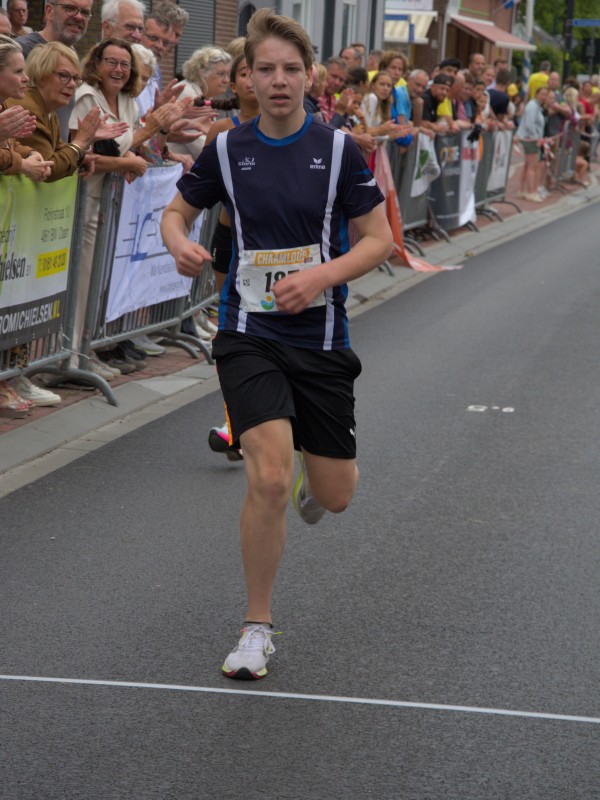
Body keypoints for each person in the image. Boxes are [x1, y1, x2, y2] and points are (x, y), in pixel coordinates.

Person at [161, 8, 392, 680]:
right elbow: (177, 212)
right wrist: (179, 243)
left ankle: (312, 479)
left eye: (291, 69)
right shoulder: (227, 150)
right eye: (266, 69)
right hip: (248, 332)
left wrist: (321, 275)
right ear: (248, 78)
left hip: (320, 337)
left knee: (335, 494)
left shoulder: (340, 150)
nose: (279, 80)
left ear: (310, 76)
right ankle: (255, 627)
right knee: (265, 475)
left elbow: (379, 239)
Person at [67, 37, 148, 379]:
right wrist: (129, 162)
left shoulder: (129, 101)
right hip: (83, 198)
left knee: (97, 282)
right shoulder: (87, 96)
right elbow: (85, 155)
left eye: (125, 64)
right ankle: (70, 356)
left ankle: (86, 350)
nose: (118, 69)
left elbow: (122, 147)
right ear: (97, 64)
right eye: (111, 62)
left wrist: (131, 157)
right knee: (80, 280)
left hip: (109, 202)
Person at [0, 34, 58, 415]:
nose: (25, 79)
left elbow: (12, 147)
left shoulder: (9, 107)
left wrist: (27, 157)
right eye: (18, 71)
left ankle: (8, 378)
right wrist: (21, 163)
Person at [517, 85, 548, 202]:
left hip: (530, 138)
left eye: (545, 95)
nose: (544, 97)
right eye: (542, 94)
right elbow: (529, 125)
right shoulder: (532, 106)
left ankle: (522, 190)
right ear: (536, 94)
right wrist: (537, 139)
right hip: (530, 139)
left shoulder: (537, 107)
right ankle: (531, 192)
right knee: (532, 166)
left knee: (527, 165)